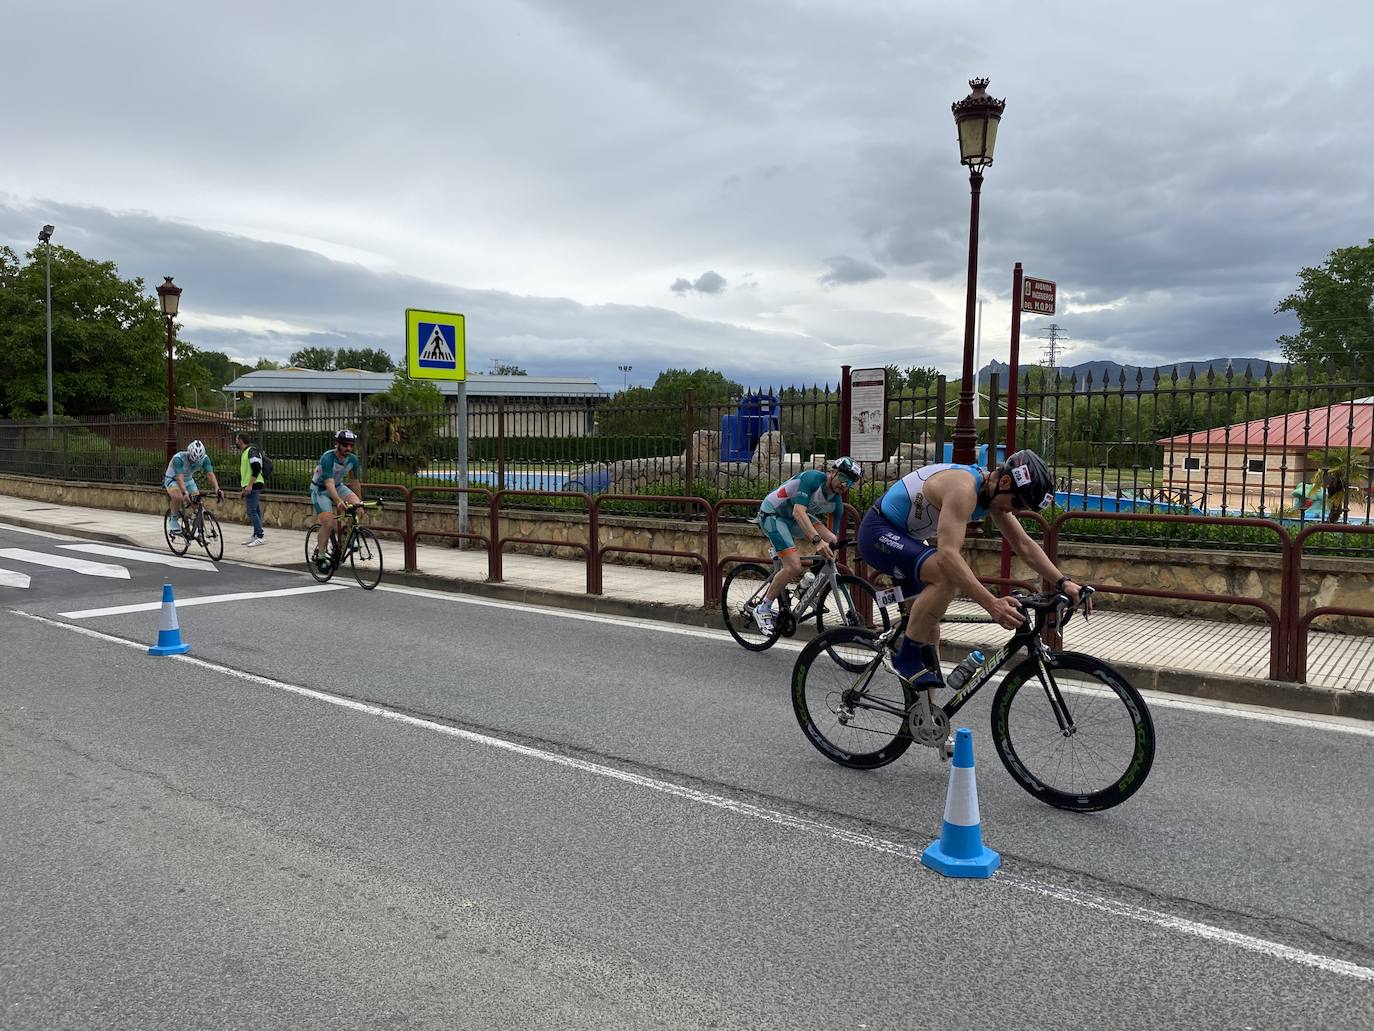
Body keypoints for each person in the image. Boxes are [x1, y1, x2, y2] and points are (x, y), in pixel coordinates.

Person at [857, 449, 1086, 688]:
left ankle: (925, 720)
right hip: (878, 532)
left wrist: (1064, 582)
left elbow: (1024, 544)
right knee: (946, 576)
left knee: (930, 630)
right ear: (1005, 481)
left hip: (907, 539)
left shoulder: (993, 495)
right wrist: (992, 604)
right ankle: (905, 657)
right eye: (1017, 502)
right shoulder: (964, 489)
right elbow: (948, 556)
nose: (1015, 510)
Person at [752, 456, 863, 633]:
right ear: (832, 473)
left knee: (832, 543)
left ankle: (806, 586)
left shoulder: (836, 505)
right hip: (773, 514)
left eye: (849, 483)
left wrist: (834, 546)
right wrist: (817, 541)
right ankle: (763, 607)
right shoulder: (812, 479)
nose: (844, 485)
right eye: (842, 479)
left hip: (792, 518)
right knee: (794, 566)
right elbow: (798, 511)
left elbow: (831, 539)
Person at [310, 429, 362, 573]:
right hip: (320, 490)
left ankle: (348, 538)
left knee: (358, 509)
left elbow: (355, 482)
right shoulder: (327, 458)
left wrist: (360, 502)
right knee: (328, 522)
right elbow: (329, 484)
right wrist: (338, 501)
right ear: (337, 444)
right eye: (345, 445)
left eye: (351, 445)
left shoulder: (353, 459)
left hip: (338, 486)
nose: (349, 448)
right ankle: (321, 556)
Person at [163, 439, 222, 533]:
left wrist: (217, 488)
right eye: (192, 460)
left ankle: (197, 526)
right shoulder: (178, 458)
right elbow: (179, 478)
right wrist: (184, 492)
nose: (194, 462)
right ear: (189, 454)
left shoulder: (205, 459)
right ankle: (173, 520)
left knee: (197, 502)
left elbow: (210, 474)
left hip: (189, 480)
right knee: (178, 497)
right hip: (173, 479)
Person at [235, 432, 266, 547]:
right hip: (251, 484)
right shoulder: (245, 452)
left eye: (236, 439)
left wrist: (249, 485)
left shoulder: (251, 451)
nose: (236, 441)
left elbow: (257, 467)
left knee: (251, 511)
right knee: (255, 510)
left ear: (241, 440)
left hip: (254, 484)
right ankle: (255, 535)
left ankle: (260, 536)